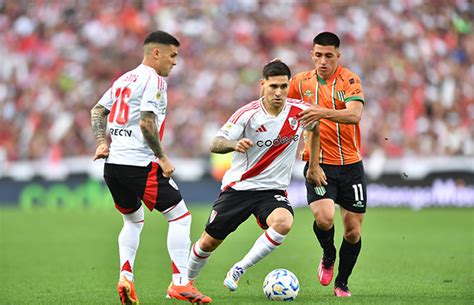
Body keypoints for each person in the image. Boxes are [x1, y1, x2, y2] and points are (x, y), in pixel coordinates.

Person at [90, 30, 211, 305]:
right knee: (180, 217)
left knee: (133, 220)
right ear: (156, 53)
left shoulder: (124, 78)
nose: (175, 62)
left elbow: (97, 110)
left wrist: (101, 142)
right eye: (172, 55)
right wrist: (163, 157)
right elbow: (146, 123)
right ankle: (180, 284)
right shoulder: (154, 80)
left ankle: (126, 276)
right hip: (140, 163)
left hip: (113, 166)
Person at [186, 60, 325, 293]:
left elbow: (314, 129)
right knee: (208, 242)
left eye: (283, 86)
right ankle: (183, 282)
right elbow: (215, 143)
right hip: (239, 188)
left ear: (289, 85)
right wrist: (234, 144)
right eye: (273, 87)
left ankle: (239, 268)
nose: (278, 92)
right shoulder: (247, 114)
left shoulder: (300, 111)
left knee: (284, 222)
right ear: (263, 85)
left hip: (272, 191)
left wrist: (313, 166)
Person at [287, 31, 366, 297]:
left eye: (328, 56)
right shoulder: (300, 82)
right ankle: (328, 254)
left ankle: (342, 282)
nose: (323, 61)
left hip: (351, 165)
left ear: (338, 56)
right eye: (318, 55)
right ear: (312, 54)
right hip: (318, 163)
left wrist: (321, 112)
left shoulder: (350, 80)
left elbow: (354, 115)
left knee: (353, 232)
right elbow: (275, 99)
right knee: (324, 219)